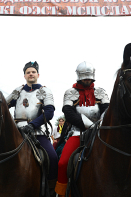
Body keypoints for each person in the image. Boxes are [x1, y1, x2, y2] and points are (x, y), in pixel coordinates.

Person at [55, 61, 110, 197]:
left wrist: (100, 125)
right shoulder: (70, 92)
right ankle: (61, 193)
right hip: (78, 132)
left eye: (89, 77)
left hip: (99, 133)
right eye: (84, 77)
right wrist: (90, 126)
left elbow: (107, 110)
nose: (87, 79)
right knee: (63, 163)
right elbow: (69, 113)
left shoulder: (100, 92)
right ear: (79, 76)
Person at [6, 61, 58, 197]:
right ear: (24, 76)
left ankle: (51, 191)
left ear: (38, 75)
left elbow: (49, 112)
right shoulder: (17, 91)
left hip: (37, 132)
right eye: (28, 72)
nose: (31, 74)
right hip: (16, 132)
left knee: (52, 157)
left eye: (33, 72)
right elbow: (2, 107)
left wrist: (33, 125)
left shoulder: (44, 91)